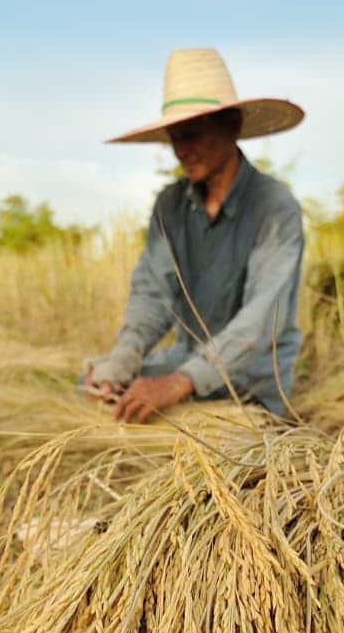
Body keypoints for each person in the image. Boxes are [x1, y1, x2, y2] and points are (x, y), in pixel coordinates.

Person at [84, 47, 306, 424]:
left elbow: (261, 319)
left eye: (193, 134)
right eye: (175, 137)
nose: (182, 150)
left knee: (230, 438)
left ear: (231, 125)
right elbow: (153, 294)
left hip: (252, 376)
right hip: (187, 358)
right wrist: (125, 356)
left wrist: (180, 382)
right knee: (97, 385)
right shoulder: (170, 206)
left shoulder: (274, 206)